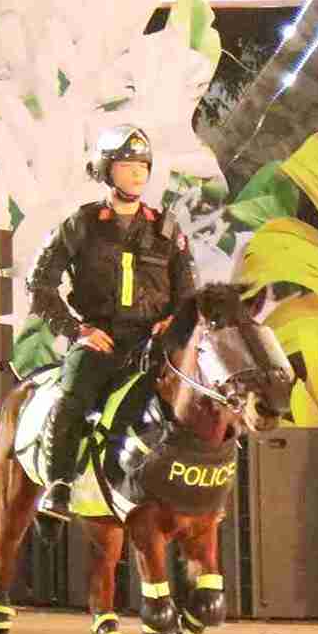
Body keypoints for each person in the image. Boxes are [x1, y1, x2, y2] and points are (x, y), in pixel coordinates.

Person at [29, 125, 195, 516]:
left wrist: (172, 322)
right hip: (101, 340)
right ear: (106, 171)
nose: (137, 173)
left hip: (153, 345)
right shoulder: (81, 224)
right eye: (126, 165)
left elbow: (188, 296)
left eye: (143, 166)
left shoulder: (167, 229)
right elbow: (40, 286)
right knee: (71, 398)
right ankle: (59, 485)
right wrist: (78, 331)